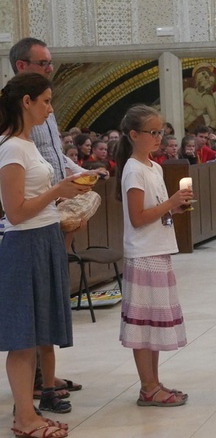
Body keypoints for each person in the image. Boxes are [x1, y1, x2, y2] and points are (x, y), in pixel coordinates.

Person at [0, 73, 95, 438]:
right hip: (24, 244)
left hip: (43, 238)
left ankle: (28, 414)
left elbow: (35, 201)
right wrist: (57, 188)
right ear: (26, 101)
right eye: (46, 100)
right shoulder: (11, 147)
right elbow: (15, 212)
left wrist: (63, 195)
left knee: (36, 336)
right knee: (22, 340)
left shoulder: (27, 144)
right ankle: (24, 419)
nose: (50, 108)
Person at [114, 105, 193, 407]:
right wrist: (169, 203)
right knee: (143, 325)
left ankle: (154, 383)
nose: (159, 137)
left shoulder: (154, 167)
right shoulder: (133, 169)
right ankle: (147, 386)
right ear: (134, 135)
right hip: (143, 254)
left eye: (161, 131)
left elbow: (155, 211)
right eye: (153, 132)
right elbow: (137, 217)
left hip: (158, 251)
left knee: (154, 325)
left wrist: (174, 207)